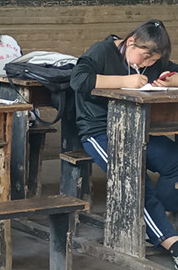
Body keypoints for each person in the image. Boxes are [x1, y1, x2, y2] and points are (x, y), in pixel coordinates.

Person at [70, 19, 178, 269]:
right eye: (145, 58)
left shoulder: (151, 59)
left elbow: (172, 71)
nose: (147, 65)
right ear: (131, 42)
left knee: (175, 160)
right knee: (133, 175)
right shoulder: (103, 51)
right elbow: (79, 80)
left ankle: (158, 220)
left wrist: (171, 80)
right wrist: (124, 81)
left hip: (138, 128)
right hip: (100, 132)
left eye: (153, 61)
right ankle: (171, 242)